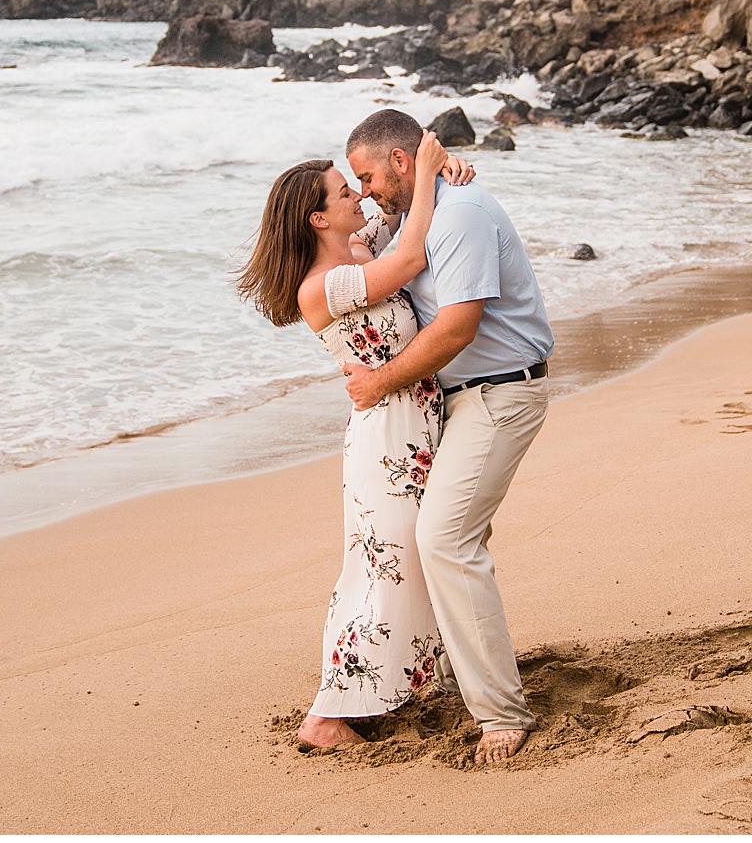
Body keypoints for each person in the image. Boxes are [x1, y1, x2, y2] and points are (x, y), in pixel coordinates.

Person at [236, 131, 472, 753]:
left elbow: (402, 221)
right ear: (319, 218)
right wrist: (424, 170)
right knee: (384, 570)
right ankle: (327, 715)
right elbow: (413, 257)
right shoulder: (321, 286)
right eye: (346, 191)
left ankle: (407, 686)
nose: (358, 194)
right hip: (388, 436)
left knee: (413, 562)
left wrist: (448, 171)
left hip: (415, 421)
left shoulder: (358, 251)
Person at [340, 108, 554, 767]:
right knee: (449, 540)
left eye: (369, 176)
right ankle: (463, 675)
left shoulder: (456, 214)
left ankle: (500, 712)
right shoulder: (413, 214)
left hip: (499, 392)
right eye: (354, 183)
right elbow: (370, 242)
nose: (366, 189)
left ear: (401, 163)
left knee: (444, 538)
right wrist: (439, 169)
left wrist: (379, 382)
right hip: (458, 400)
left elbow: (459, 327)